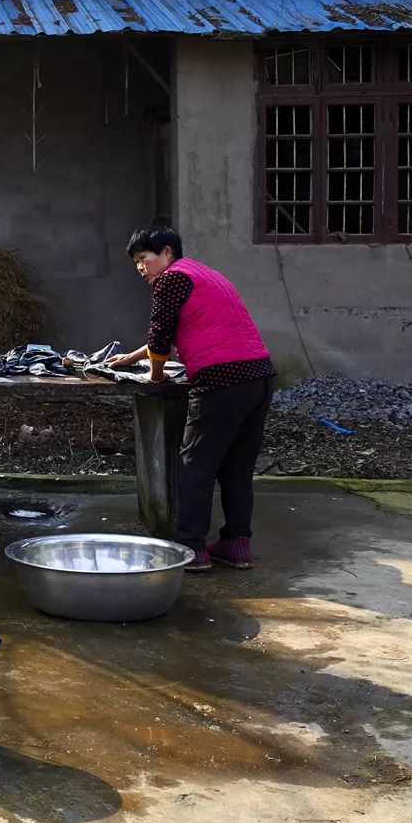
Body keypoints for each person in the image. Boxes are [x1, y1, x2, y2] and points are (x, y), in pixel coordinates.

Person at [107, 224, 276, 572]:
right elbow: (183, 331)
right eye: (137, 262)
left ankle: (191, 548)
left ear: (167, 253)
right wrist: (132, 358)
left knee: (195, 467)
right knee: (237, 468)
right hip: (258, 377)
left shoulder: (171, 279)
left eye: (145, 259)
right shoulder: (204, 274)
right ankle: (236, 544)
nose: (142, 268)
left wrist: (154, 375)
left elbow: (160, 333)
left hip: (221, 381)